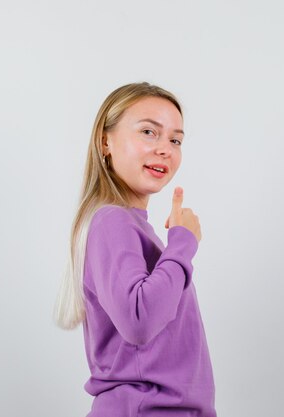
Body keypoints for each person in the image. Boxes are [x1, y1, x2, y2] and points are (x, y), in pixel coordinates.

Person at [53, 82, 216, 417]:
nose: (165, 149)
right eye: (148, 132)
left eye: (175, 140)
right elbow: (139, 320)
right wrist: (183, 243)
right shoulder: (113, 221)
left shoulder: (128, 225)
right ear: (105, 141)